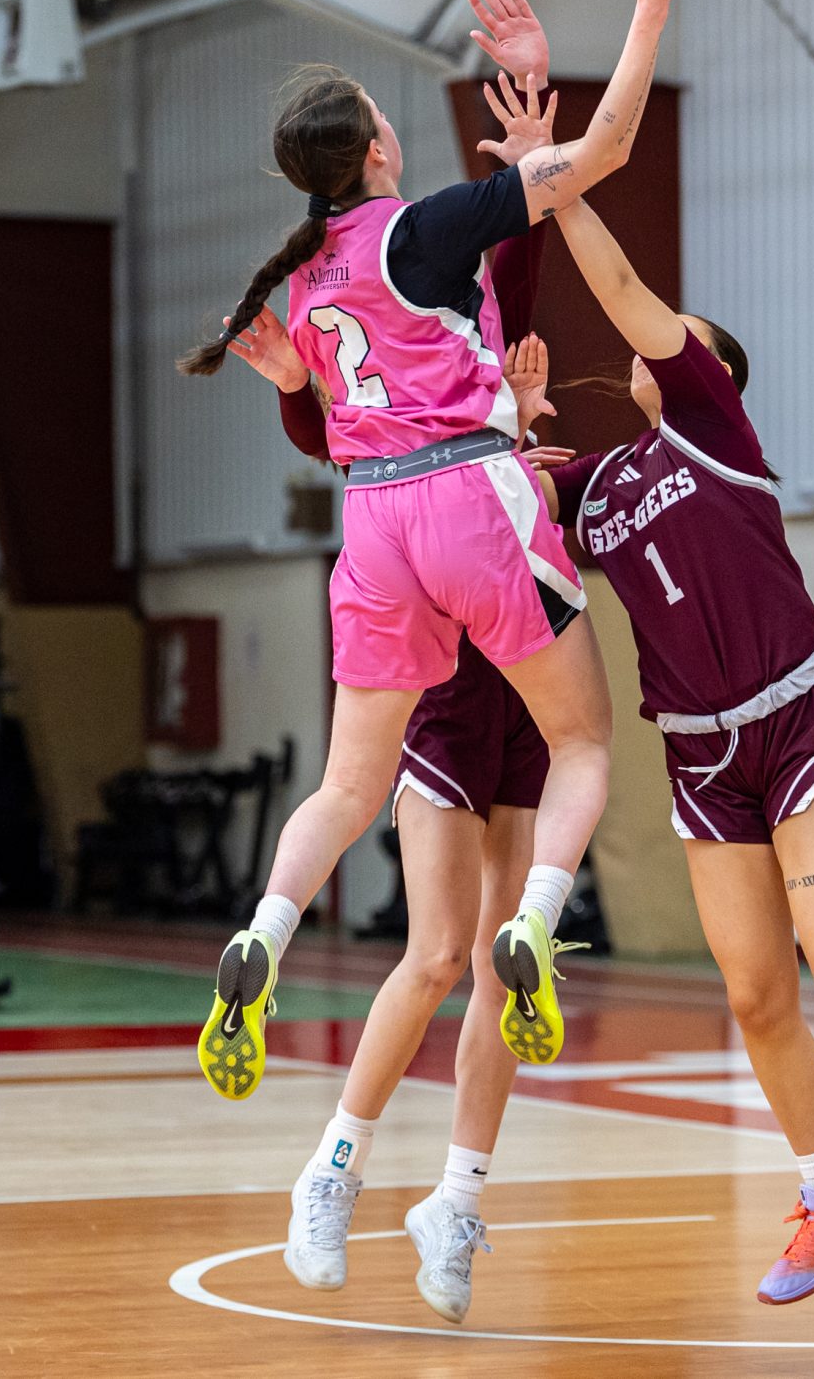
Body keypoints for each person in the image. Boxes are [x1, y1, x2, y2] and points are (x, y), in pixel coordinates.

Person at [178, 0, 712, 1100]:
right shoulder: (420, 230)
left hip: (368, 524)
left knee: (343, 785)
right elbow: (608, 148)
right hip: (468, 494)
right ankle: (529, 924)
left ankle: (263, 932)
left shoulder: (304, 274)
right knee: (581, 740)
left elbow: (352, 392)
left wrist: (524, 89)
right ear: (376, 143)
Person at [527, 198, 814, 1303]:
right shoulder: (602, 479)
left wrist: (557, 187)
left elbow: (623, 292)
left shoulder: (713, 430)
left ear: (715, 372)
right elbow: (500, 505)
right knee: (756, 993)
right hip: (704, 756)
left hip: (802, 718)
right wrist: (508, 426)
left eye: (681, 329)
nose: (655, 335)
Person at [226, 217, 553, 1323]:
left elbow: (521, 250)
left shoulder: (522, 432)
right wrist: (291, 394)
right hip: (446, 700)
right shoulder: (417, 352)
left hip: (527, 712)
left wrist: (532, 444)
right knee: (435, 951)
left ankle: (454, 1201)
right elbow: (356, 445)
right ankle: (331, 1170)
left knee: (506, 976)